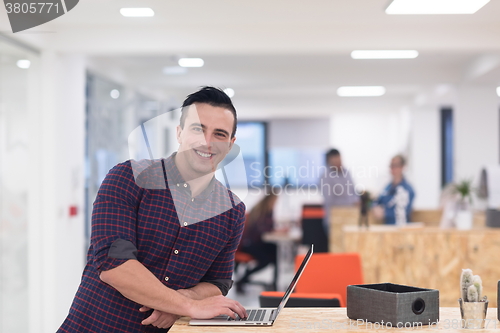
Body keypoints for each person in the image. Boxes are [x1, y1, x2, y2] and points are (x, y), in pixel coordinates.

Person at [58, 87, 247, 333]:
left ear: (230, 145)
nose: (207, 142)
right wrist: (188, 306)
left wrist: (181, 300)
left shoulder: (231, 210)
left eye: (219, 134)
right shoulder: (128, 177)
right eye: (197, 128)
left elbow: (217, 282)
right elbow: (114, 265)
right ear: (179, 133)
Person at [235, 191, 278, 293]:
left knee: (274, 250)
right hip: (249, 244)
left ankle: (274, 282)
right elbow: (262, 230)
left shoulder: (262, 210)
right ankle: (244, 279)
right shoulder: (262, 212)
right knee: (267, 258)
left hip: (254, 243)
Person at [320, 149, 360, 233]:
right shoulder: (325, 177)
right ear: (329, 162)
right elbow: (330, 201)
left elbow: (353, 191)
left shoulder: (346, 172)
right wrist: (352, 203)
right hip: (334, 220)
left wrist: (357, 200)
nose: (338, 162)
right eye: (335, 160)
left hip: (350, 218)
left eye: (339, 159)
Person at [373, 154, 415, 225]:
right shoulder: (387, 188)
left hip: (402, 228)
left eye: (396, 165)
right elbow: (377, 200)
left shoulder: (408, 190)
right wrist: (375, 207)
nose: (393, 169)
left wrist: (385, 213)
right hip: (387, 228)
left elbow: (404, 211)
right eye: (391, 166)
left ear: (402, 167)